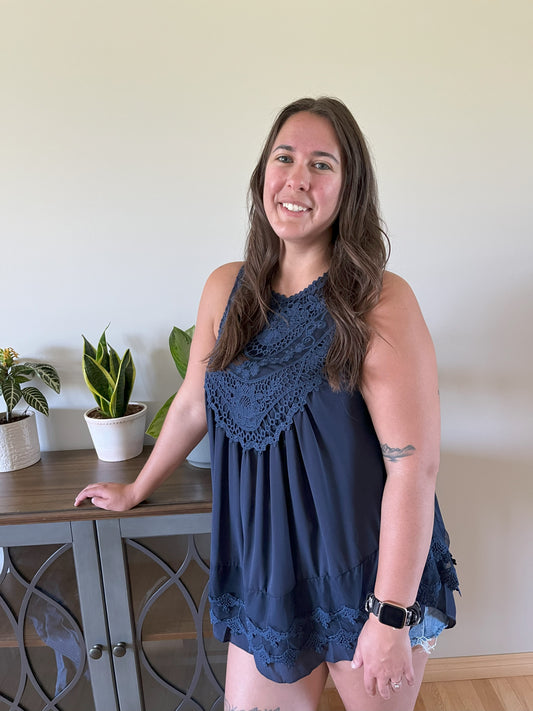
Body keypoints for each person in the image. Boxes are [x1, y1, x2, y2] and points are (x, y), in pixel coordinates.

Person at [75, 97, 459, 711]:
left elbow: (413, 465)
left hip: (364, 573)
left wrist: (391, 616)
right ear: (262, 178)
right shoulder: (226, 288)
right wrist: (133, 488)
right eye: (284, 157)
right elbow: (193, 407)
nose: (298, 177)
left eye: (322, 164)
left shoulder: (379, 301)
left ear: (350, 187)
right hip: (268, 572)